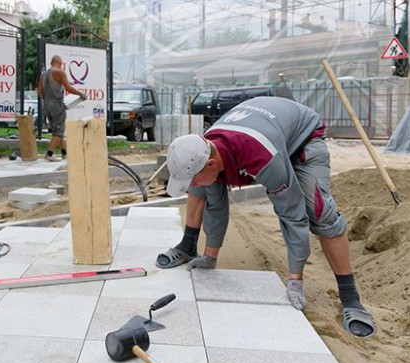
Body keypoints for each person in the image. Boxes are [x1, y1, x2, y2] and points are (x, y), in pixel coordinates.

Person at [157, 96, 376, 338]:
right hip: (266, 128)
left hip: (302, 137)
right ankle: (189, 246)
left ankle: (350, 297)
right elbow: (215, 204)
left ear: (210, 164)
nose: (190, 185)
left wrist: (295, 279)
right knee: (201, 189)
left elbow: (291, 213)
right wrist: (210, 256)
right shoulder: (204, 149)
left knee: (319, 213)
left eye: (192, 177)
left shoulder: (262, 157)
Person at [37, 55, 87, 162]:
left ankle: (64, 153)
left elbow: (40, 92)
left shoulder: (44, 75)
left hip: (46, 105)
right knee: (59, 131)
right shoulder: (60, 72)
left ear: (51, 62)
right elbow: (68, 88)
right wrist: (80, 94)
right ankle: (49, 154)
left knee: (57, 130)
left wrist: (48, 100)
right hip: (57, 105)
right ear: (60, 63)